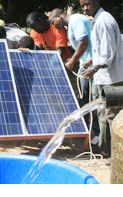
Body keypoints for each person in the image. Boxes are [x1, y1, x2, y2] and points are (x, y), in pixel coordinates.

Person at [80, 0, 123, 156]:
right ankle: (107, 148)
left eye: (87, 4)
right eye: (82, 6)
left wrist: (94, 68)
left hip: (113, 77)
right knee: (105, 113)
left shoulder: (103, 20)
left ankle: (114, 152)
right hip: (108, 75)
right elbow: (102, 49)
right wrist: (92, 60)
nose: (84, 8)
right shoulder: (99, 19)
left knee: (111, 115)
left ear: (96, 1)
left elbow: (108, 52)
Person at [48, 8, 100, 145]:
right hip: (85, 65)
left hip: (93, 66)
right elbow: (76, 47)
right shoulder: (70, 26)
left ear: (59, 16)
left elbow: (83, 43)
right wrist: (71, 59)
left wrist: (71, 62)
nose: (53, 25)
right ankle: (89, 132)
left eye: (53, 22)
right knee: (84, 99)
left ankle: (99, 135)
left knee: (94, 100)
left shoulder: (76, 20)